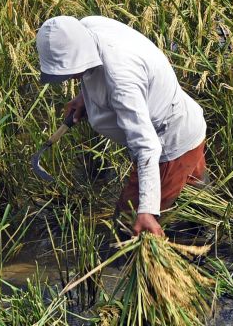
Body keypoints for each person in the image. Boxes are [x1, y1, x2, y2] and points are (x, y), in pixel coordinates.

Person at [36, 15, 207, 237]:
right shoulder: (87, 27)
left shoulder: (121, 78)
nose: (69, 77)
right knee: (198, 204)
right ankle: (210, 239)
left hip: (170, 143)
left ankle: (179, 258)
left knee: (128, 227)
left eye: (70, 70)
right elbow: (95, 72)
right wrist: (84, 98)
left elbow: (147, 146)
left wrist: (146, 211)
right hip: (183, 118)